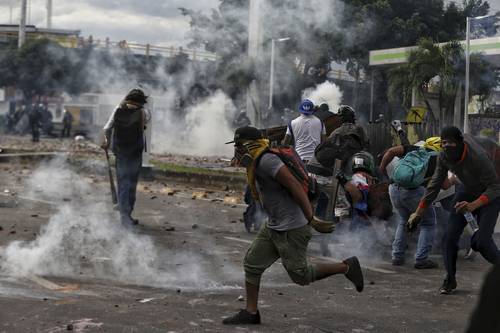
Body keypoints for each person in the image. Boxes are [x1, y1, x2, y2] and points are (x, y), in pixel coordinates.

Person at [223, 126, 364, 325]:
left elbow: (294, 186)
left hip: (292, 226)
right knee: (252, 264)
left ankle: (346, 266)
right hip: (274, 225)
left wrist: (311, 218)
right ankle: (251, 312)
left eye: (239, 145)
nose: (237, 150)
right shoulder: (256, 163)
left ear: (250, 144)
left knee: (301, 275)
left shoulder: (267, 161)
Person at [408, 126, 500, 294]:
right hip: (466, 190)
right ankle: (450, 279)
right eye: (444, 143)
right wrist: (418, 212)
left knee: (482, 242)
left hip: (490, 194)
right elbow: (435, 184)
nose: (447, 147)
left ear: (460, 144)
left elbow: (495, 187)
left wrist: (472, 206)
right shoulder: (443, 155)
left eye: (451, 143)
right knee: (449, 237)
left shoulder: (478, 157)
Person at [379, 137, 442, 269]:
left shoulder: (414, 149)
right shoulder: (438, 160)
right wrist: (454, 179)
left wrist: (382, 168)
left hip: (394, 188)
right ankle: (421, 259)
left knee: (403, 220)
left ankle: (397, 256)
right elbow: (446, 185)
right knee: (428, 222)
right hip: (414, 192)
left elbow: (391, 151)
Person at [101, 88, 151, 228]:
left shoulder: (119, 108)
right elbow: (145, 124)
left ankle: (124, 214)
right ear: (142, 100)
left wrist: (106, 142)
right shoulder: (144, 112)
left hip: (120, 152)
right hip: (135, 153)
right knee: (131, 184)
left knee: (123, 182)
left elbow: (107, 128)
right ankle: (126, 215)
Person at [336, 151, 377, 231]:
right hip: (363, 224)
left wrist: (344, 181)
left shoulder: (359, 178)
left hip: (361, 224)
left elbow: (358, 196)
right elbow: (358, 196)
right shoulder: (362, 179)